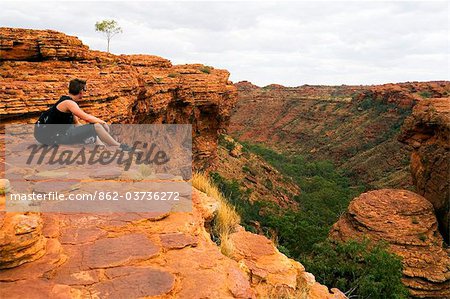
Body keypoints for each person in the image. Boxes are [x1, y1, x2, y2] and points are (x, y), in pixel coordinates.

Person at [34, 78, 132, 150]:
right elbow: (86, 117)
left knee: (92, 129)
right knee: (96, 126)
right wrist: (102, 123)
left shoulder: (66, 100)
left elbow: (76, 123)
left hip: (49, 135)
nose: (84, 93)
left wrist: (87, 131)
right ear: (81, 91)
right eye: (84, 91)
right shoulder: (69, 103)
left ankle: (100, 145)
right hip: (53, 137)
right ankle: (117, 146)